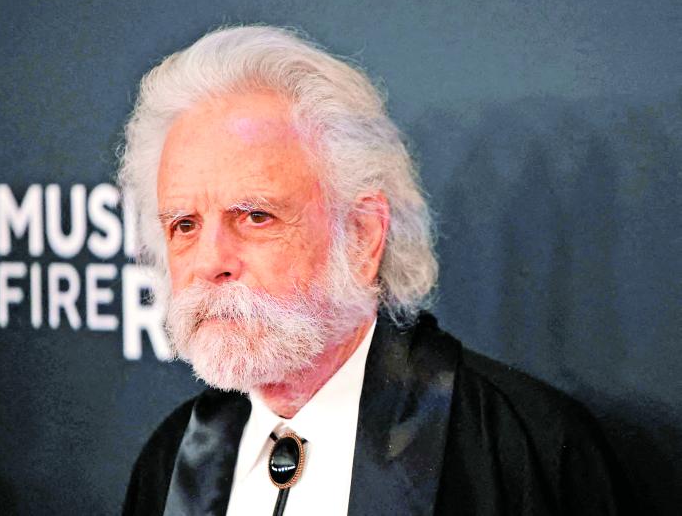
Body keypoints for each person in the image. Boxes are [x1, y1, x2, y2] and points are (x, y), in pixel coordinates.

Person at [118, 25, 633, 515]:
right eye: (184, 225)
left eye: (256, 216)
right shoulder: (171, 461)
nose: (210, 262)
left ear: (362, 235)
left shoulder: (520, 453)